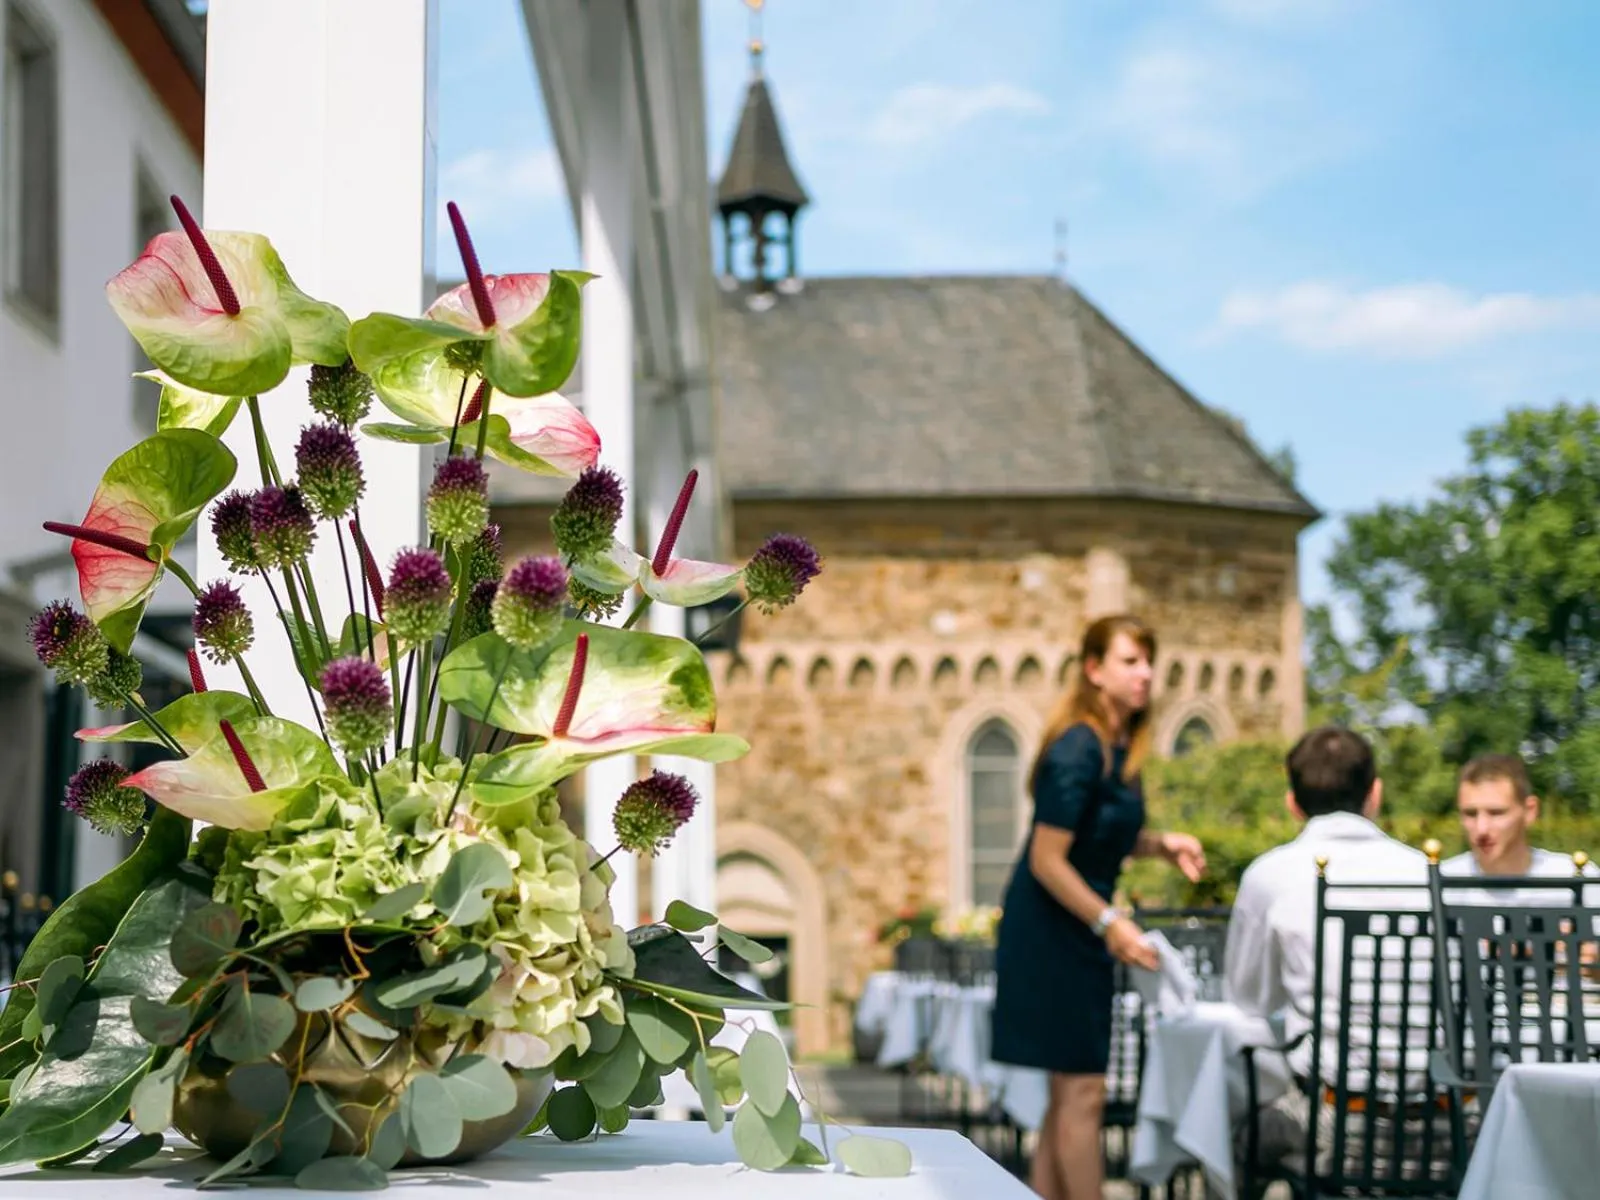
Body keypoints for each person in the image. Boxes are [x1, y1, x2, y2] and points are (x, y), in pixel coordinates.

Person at [991, 614, 1206, 1200]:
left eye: (1148, 661)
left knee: (1070, 1094)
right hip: (1051, 932)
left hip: (1077, 928)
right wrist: (1111, 923)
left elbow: (1098, 837)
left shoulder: (1116, 746)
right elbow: (1048, 858)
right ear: (1094, 669)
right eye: (1131, 661)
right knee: (1083, 1092)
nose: (1146, 675)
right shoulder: (1078, 747)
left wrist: (1162, 845)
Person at [1223, 725, 1429, 1172]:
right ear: (1375, 794)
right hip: (1445, 1123)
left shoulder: (1272, 874)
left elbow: (1248, 1002)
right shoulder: (1430, 873)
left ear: (1292, 804)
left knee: (1231, 1143)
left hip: (1337, 1121)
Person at [1440, 753, 1598, 903]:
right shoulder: (1441, 883)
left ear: (1530, 811)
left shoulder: (1576, 878)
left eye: (1496, 813)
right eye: (1470, 814)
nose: (1482, 829)